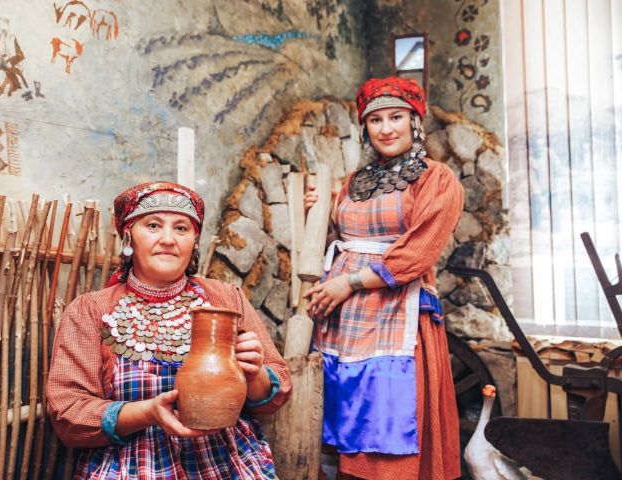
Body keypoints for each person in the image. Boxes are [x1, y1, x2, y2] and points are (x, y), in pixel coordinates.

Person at [47, 181, 291, 479]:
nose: (167, 239)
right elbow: (69, 412)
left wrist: (256, 375)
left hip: (227, 464)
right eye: (152, 225)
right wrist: (147, 413)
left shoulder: (225, 299)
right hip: (133, 467)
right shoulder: (90, 310)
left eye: (181, 228)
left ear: (194, 241)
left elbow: (276, 394)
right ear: (128, 237)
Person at [304, 77, 463, 480]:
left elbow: (416, 253)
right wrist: (317, 216)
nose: (386, 128)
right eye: (375, 119)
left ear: (415, 122)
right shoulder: (353, 182)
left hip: (396, 314)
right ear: (365, 128)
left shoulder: (436, 179)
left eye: (396, 116)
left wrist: (349, 283)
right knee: (338, 425)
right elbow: (339, 243)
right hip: (340, 321)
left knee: (387, 429)